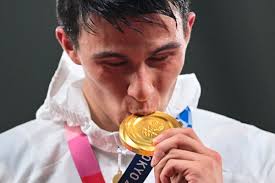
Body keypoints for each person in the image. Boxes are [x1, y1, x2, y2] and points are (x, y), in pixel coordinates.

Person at [0, 0, 275, 182]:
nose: (142, 91)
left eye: (162, 57)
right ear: (70, 46)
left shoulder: (261, 157)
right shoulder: (9, 164)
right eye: (114, 63)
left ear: (187, 32)